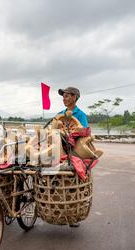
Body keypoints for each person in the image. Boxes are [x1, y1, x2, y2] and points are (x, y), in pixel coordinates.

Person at [58, 87, 88, 228]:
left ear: (74, 97)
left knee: (72, 185)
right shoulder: (59, 115)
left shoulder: (80, 115)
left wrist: (70, 135)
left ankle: (73, 215)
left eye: (67, 96)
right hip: (59, 151)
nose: (64, 98)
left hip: (74, 151)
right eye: (63, 96)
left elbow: (83, 135)